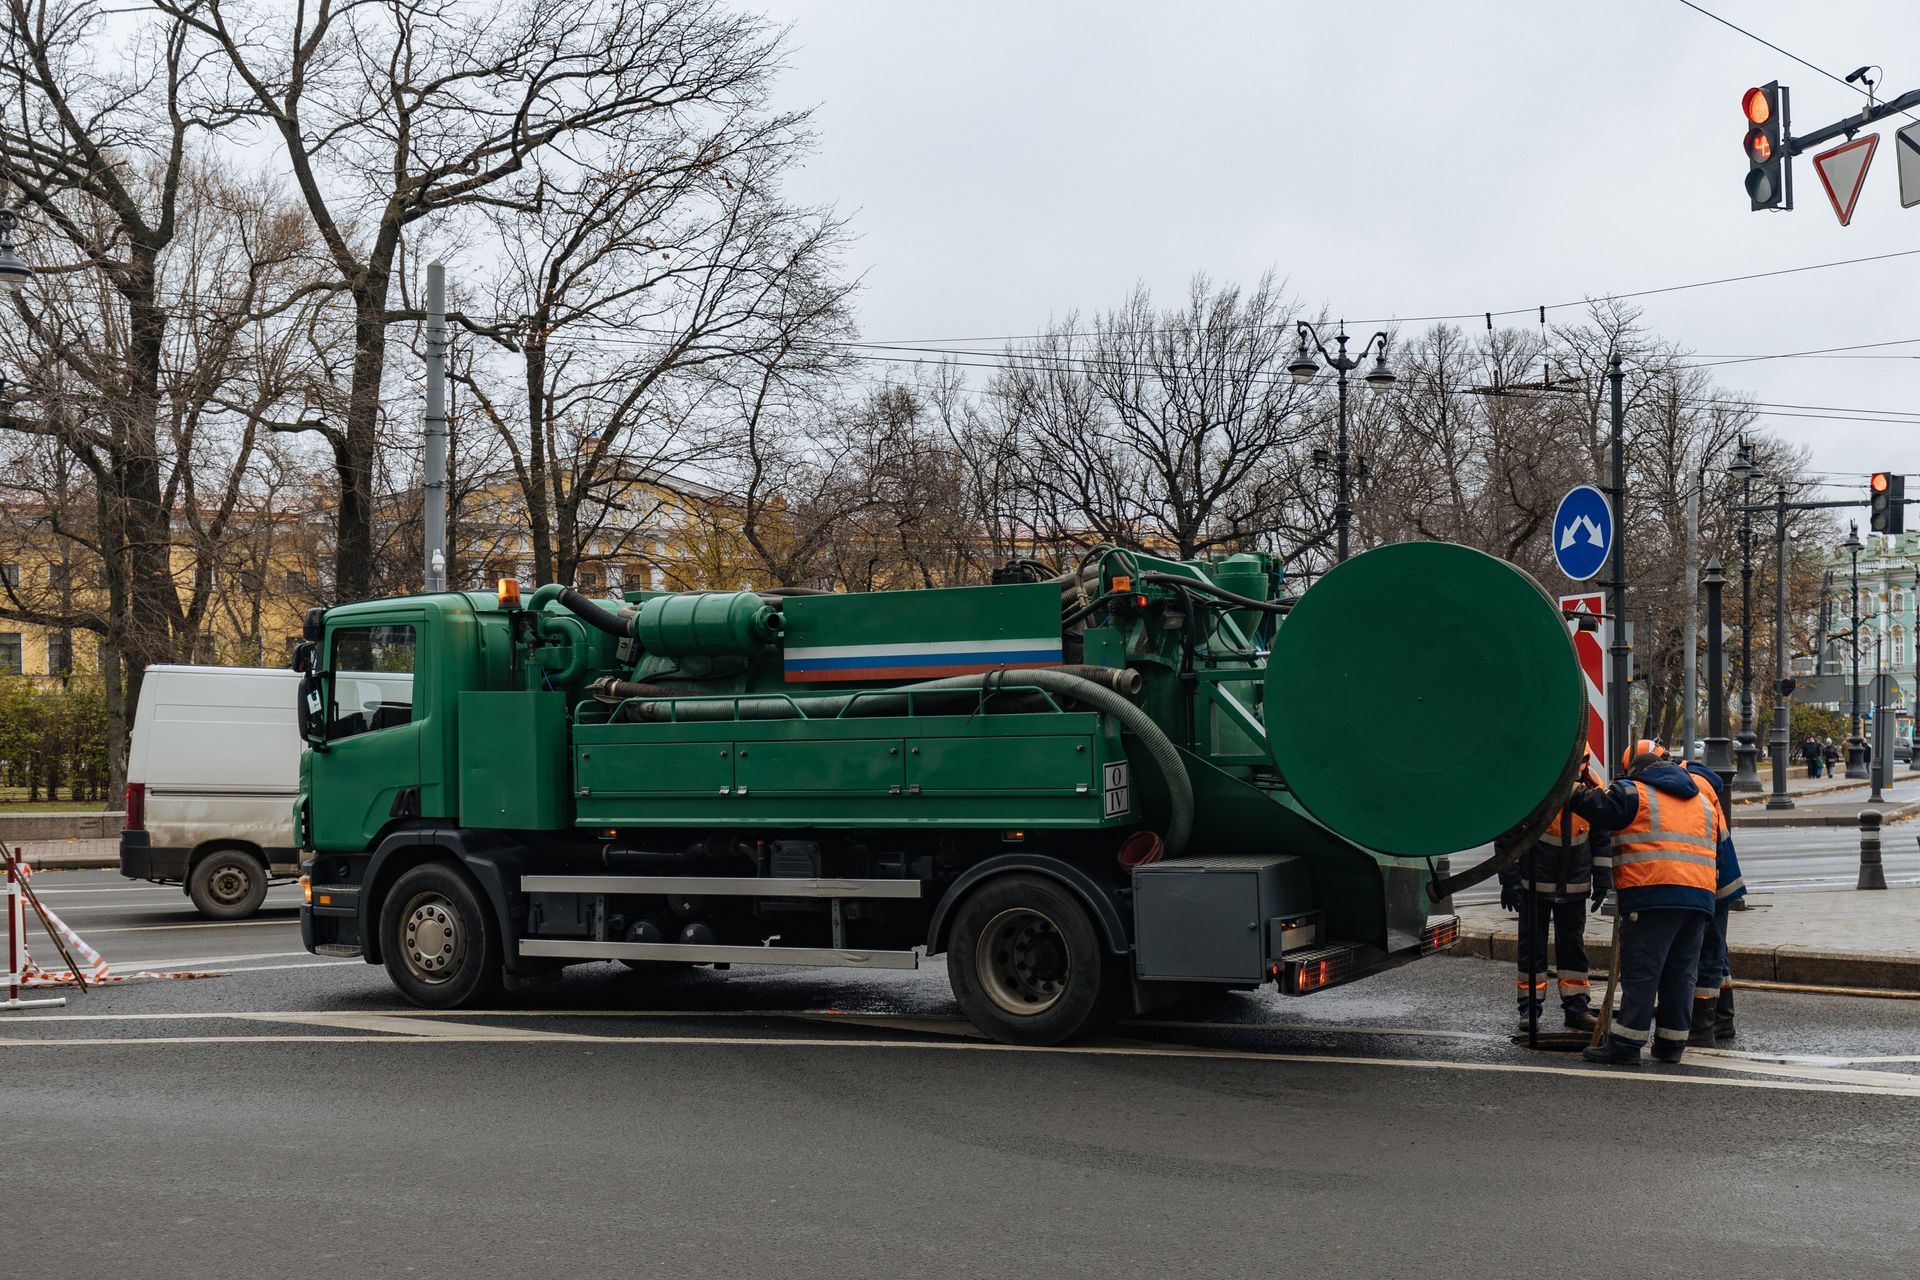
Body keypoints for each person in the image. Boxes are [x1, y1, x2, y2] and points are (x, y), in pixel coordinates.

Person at [1571, 738, 1724, 1065]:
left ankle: (1625, 1046)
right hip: (1698, 899)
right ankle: (1670, 1046)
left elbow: (1596, 807)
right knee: (1681, 975)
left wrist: (1569, 790)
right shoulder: (1701, 800)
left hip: (1653, 894)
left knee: (1643, 972)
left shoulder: (1634, 792)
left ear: (1635, 771)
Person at [1498, 752, 1610, 1032]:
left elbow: (1601, 837)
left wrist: (1603, 879)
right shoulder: (1534, 785)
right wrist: (1509, 878)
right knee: (1531, 948)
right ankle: (1530, 1011)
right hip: (1535, 882)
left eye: (1582, 760)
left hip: (1574, 884)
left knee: (1573, 949)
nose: (1578, 765)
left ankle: (1576, 1008)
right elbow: (1508, 832)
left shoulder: (1593, 788)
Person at [1676, 757, 1747, 1045]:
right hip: (1715, 873)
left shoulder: (1691, 785)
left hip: (1709, 876)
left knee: (1709, 950)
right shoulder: (1695, 778)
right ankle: (1722, 1018)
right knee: (1717, 949)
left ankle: (1704, 1025)